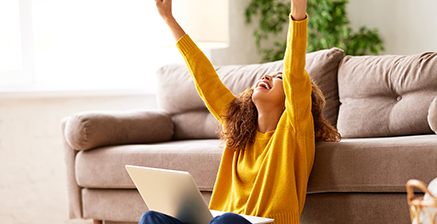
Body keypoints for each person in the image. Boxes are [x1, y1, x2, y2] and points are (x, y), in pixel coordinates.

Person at [140, 0, 341, 223]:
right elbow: (206, 79)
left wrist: (297, 11)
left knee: (225, 221)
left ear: (291, 97)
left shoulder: (295, 129)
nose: (267, 77)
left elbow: (294, 70)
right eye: (268, 75)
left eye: (278, 78)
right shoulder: (238, 124)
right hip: (217, 221)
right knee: (152, 218)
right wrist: (169, 18)